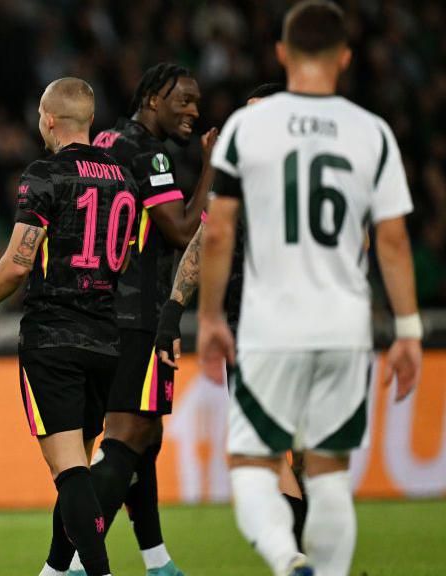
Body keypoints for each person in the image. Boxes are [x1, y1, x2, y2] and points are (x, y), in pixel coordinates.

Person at [197, 2, 422, 575]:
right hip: (344, 326)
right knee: (328, 474)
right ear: (345, 57)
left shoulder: (246, 129)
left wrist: (208, 320)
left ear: (282, 53)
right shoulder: (372, 133)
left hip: (269, 324)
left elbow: (218, 230)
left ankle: (285, 557)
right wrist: (408, 331)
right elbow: (391, 243)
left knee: (251, 464)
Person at [0, 77, 138, 576]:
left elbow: (19, 261)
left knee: (70, 474)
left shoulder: (45, 174)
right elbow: (124, 257)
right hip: (107, 337)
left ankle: (100, 572)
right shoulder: (124, 178)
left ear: (48, 120)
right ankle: (54, 571)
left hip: (54, 337)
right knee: (78, 468)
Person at [63, 63, 216, 576]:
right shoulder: (150, 155)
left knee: (143, 438)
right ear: (152, 98)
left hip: (100, 307)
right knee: (127, 439)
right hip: (139, 313)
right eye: (183, 100)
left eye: (197, 102)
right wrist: (213, 167)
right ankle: (66, 566)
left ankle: (158, 561)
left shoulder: (107, 139)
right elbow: (179, 230)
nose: (193, 110)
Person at [154, 82, 309, 548]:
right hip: (249, 326)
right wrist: (173, 308)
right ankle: (303, 555)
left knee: (288, 454)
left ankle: (300, 553)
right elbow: (205, 241)